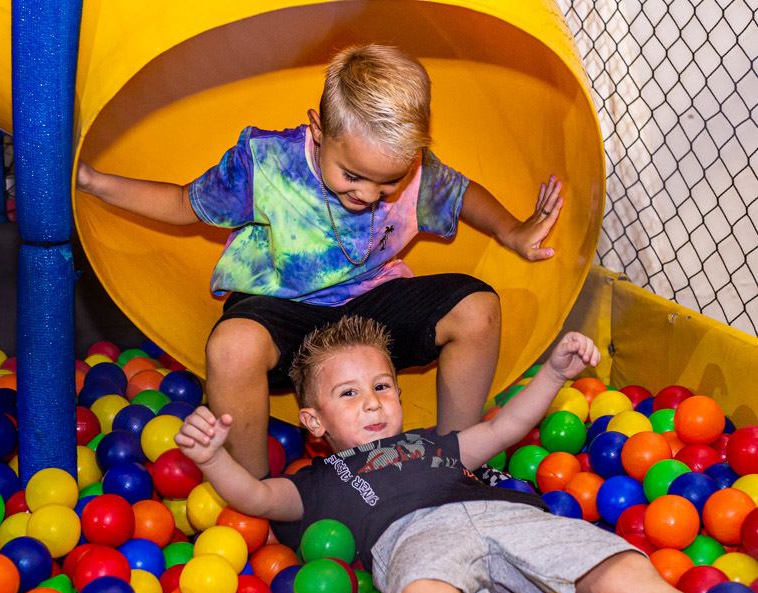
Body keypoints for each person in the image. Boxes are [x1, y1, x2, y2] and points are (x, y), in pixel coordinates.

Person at [76, 43, 564, 478]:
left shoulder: (412, 169)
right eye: (352, 175)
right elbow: (183, 203)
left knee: (477, 308)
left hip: (372, 310)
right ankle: (254, 494)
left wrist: (512, 231)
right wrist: (94, 181)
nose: (368, 194)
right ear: (318, 129)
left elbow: (460, 194)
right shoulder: (267, 163)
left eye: (388, 183)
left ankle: (456, 461)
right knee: (232, 347)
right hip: (282, 310)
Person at [174, 316, 688, 593]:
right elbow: (255, 496)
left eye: (381, 386)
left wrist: (553, 374)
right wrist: (212, 458)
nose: (372, 402)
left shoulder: (431, 443)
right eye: (349, 394)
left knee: (617, 565)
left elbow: (504, 427)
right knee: (425, 592)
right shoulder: (317, 480)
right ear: (313, 421)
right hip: (412, 539)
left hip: (505, 515)